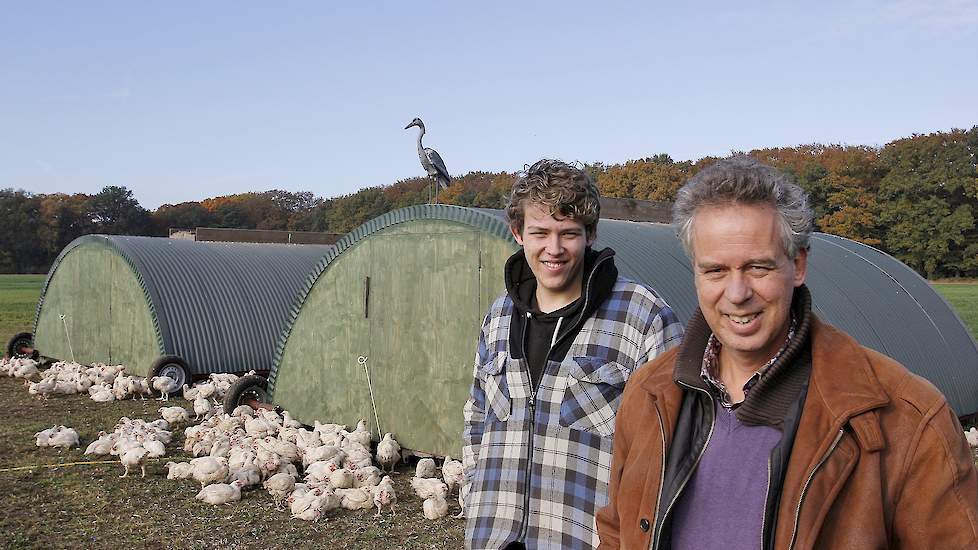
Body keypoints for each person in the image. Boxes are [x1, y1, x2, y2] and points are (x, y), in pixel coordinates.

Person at [596, 155, 978, 549]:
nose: (737, 294)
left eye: (758, 268)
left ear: (797, 265)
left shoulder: (904, 416)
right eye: (715, 271)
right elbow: (617, 530)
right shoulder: (651, 393)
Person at [461, 159, 684, 550]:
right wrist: (475, 498)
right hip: (493, 536)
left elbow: (674, 443)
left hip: (584, 539)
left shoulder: (643, 315)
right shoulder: (498, 316)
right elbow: (476, 417)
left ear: (591, 233)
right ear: (517, 232)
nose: (554, 248)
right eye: (540, 233)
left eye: (568, 233)